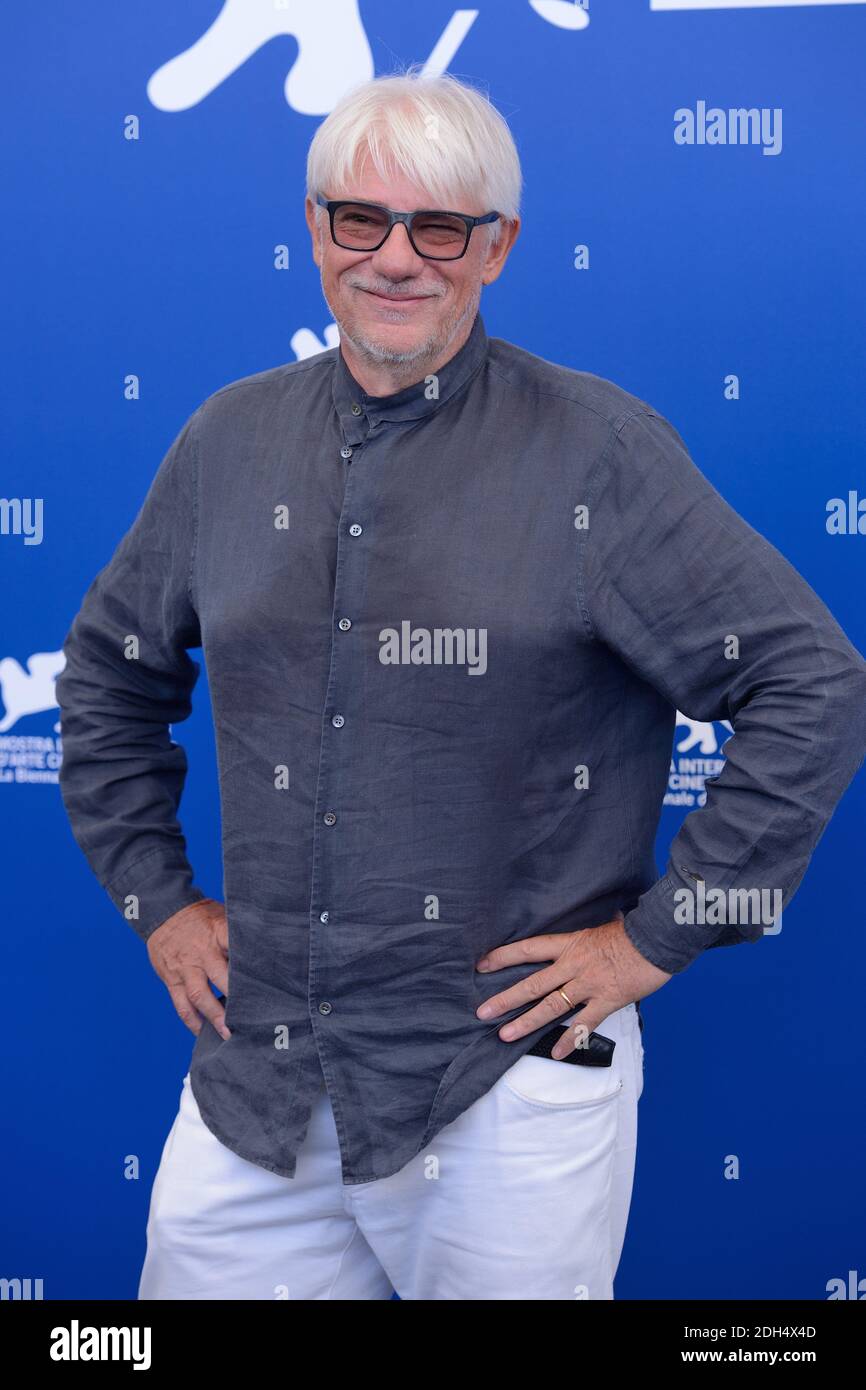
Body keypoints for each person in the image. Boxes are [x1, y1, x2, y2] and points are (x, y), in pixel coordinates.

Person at [56, 67, 866, 1302]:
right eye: (359, 220)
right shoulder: (226, 442)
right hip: (261, 1081)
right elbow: (107, 682)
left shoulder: (598, 451)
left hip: (504, 1090)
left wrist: (659, 936)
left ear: (498, 247)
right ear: (313, 230)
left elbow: (811, 682)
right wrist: (158, 900)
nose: (395, 259)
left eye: (439, 228)